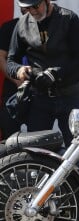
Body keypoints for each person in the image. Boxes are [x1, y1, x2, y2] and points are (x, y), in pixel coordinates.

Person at [6, 0, 79, 146]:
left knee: (77, 147)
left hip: (69, 95)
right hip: (39, 98)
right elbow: (11, 61)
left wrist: (56, 73)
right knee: (35, 150)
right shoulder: (21, 24)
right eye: (27, 8)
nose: (32, 11)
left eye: (36, 6)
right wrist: (19, 70)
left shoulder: (68, 18)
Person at [0, 9, 27, 139]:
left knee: (40, 138)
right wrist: (16, 80)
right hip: (13, 91)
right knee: (9, 135)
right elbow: (1, 58)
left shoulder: (51, 27)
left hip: (41, 94)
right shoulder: (9, 27)